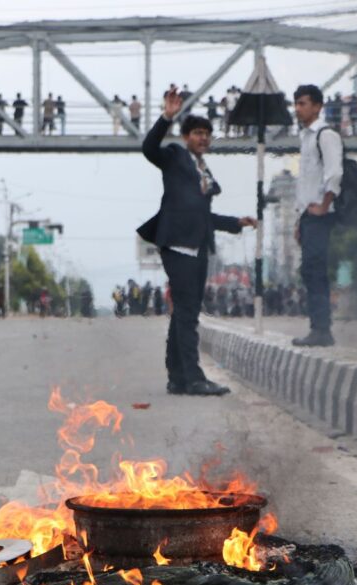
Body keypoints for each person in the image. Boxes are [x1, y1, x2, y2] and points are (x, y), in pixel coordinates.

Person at [137, 87, 258, 396]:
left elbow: (205, 217)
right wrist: (167, 116)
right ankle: (193, 378)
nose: (203, 138)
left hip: (198, 249)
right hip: (177, 246)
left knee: (183, 314)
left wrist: (236, 223)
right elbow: (149, 148)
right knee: (189, 315)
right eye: (197, 133)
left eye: (207, 134)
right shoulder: (176, 156)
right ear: (187, 136)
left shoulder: (204, 171)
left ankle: (177, 376)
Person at [292, 84, 341, 347]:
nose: (298, 109)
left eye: (303, 103)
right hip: (309, 215)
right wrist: (300, 220)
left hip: (322, 214)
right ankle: (318, 327)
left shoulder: (325, 135)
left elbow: (334, 173)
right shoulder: (305, 138)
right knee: (309, 271)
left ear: (318, 106)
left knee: (316, 270)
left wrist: (323, 206)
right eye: (296, 104)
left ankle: (322, 330)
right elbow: (305, 184)